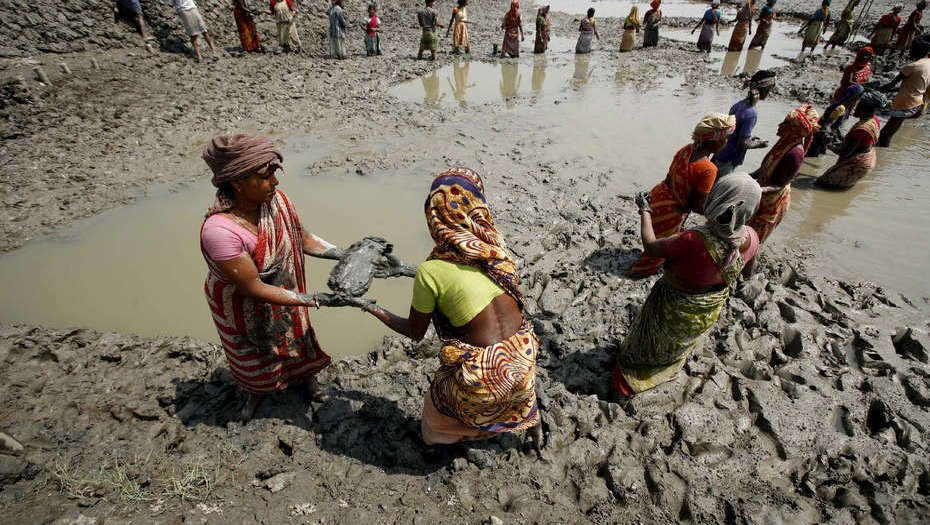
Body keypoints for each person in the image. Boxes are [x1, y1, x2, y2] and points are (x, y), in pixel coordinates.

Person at [361, 167, 542, 448]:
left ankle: (471, 434)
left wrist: (370, 307)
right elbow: (466, 279)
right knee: (516, 362)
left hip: (483, 382)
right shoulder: (496, 251)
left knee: (435, 406)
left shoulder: (430, 272)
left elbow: (414, 332)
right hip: (524, 363)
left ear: (433, 216)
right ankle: (532, 424)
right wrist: (407, 270)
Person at [199, 134, 348, 421]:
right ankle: (257, 391)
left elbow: (303, 239)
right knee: (254, 356)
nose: (275, 183)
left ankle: (307, 380)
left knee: (299, 339)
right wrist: (315, 300)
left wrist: (348, 255)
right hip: (244, 306)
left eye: (275, 174)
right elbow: (253, 287)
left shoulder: (275, 200)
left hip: (286, 291)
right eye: (266, 176)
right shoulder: (219, 231)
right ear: (238, 182)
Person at [613, 173, 762, 397]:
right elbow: (747, 271)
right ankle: (666, 367)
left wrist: (645, 211)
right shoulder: (752, 237)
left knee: (650, 341)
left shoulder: (693, 240)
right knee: (676, 345)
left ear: (717, 199)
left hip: (673, 304)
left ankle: (628, 381)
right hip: (706, 310)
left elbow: (652, 248)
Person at [628, 113, 736, 278]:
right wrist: (713, 213)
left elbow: (669, 177)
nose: (727, 142)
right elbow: (694, 205)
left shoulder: (686, 150)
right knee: (655, 253)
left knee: (654, 234)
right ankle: (637, 272)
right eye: (726, 138)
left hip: (657, 197)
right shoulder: (709, 169)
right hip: (672, 210)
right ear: (716, 140)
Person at [746, 104, 820, 250]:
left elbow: (779, 184)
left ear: (795, 130)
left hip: (772, 201)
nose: (780, 125)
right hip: (762, 191)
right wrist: (747, 177)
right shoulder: (784, 142)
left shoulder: (795, 154)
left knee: (753, 239)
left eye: (786, 124)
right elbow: (764, 169)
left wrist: (755, 189)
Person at [816, 91, 888, 189]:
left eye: (858, 105)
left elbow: (844, 152)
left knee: (821, 185)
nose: (854, 107)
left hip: (858, 162)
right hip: (867, 156)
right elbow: (856, 143)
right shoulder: (873, 120)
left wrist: (827, 143)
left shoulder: (861, 129)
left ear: (864, 109)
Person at [713, 69, 777, 176]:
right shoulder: (751, 113)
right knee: (718, 188)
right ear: (764, 89)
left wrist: (750, 138)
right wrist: (760, 144)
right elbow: (743, 143)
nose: (769, 93)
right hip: (729, 158)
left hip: (720, 151)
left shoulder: (739, 105)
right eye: (769, 90)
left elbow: (733, 132)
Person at [878, 35, 930, 147]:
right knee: (890, 131)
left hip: (906, 103)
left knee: (885, 134)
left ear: (917, 50)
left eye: (912, 49)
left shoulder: (912, 66)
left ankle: (880, 157)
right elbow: (916, 85)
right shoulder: (928, 63)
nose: (910, 51)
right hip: (917, 104)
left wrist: (874, 89)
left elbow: (890, 85)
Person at [809, 83, 864, 156]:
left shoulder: (846, 108)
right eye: (858, 99)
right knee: (813, 156)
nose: (858, 102)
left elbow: (834, 126)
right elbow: (827, 125)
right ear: (854, 98)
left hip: (822, 137)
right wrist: (831, 140)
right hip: (819, 137)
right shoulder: (841, 108)